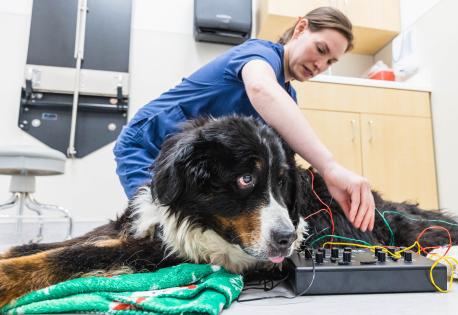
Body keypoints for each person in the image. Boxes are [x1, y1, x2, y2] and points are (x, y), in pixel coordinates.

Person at [113, 7, 375, 232]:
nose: (320, 65)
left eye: (330, 61)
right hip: (149, 145)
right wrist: (330, 167)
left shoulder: (287, 98)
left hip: (196, 166)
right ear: (301, 28)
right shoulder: (259, 54)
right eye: (320, 49)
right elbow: (261, 88)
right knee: (159, 228)